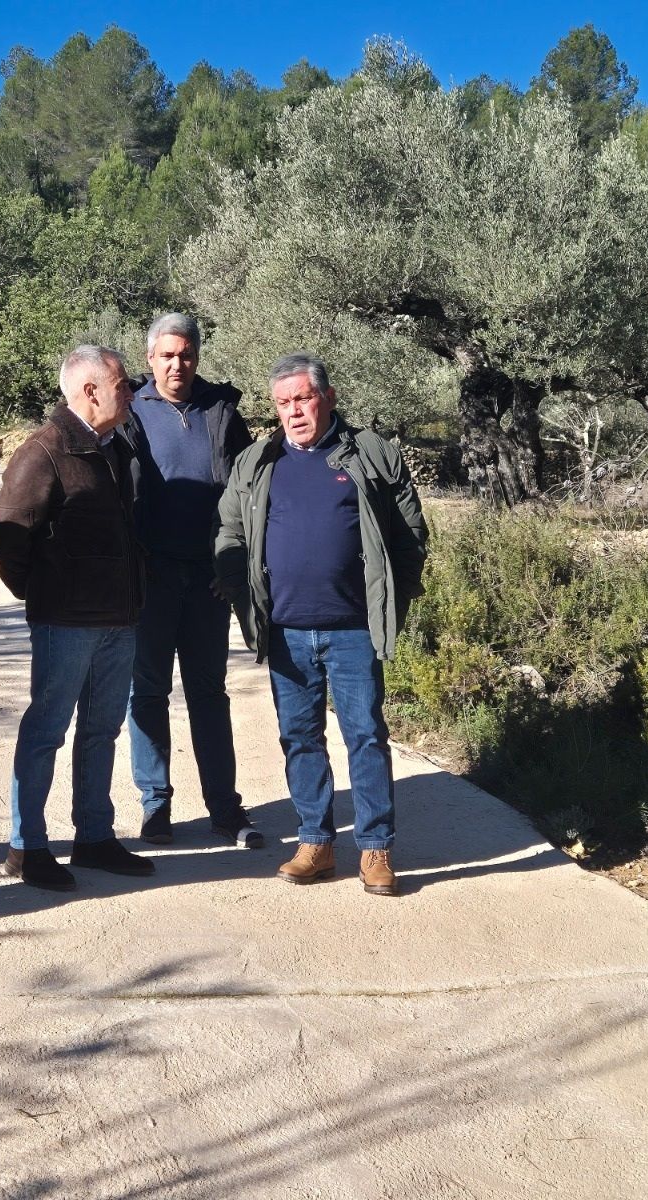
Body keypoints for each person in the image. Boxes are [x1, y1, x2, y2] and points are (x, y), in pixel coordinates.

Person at [214, 354, 428, 896]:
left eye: (303, 399)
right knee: (299, 737)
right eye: (283, 403)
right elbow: (230, 532)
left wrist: (391, 602)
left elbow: (409, 536)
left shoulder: (371, 456)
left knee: (366, 736)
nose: (294, 412)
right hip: (285, 629)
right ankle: (316, 842)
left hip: (353, 628)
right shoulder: (258, 462)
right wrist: (242, 592)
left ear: (327, 398)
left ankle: (376, 849)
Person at [0, 346, 153, 892]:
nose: (131, 392)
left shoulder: (115, 445)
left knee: (102, 730)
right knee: (46, 731)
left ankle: (94, 836)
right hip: (66, 622)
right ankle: (26, 845)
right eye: (123, 384)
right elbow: (11, 534)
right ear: (90, 391)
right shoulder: (46, 450)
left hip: (118, 618)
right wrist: (43, 594)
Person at [120, 313, 259, 848]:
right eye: (168, 355)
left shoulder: (222, 411)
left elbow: (247, 493)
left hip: (207, 582)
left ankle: (224, 808)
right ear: (150, 357)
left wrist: (234, 567)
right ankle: (156, 806)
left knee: (208, 694)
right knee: (148, 693)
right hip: (151, 577)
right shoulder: (129, 411)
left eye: (187, 355)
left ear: (197, 357)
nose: (177, 364)